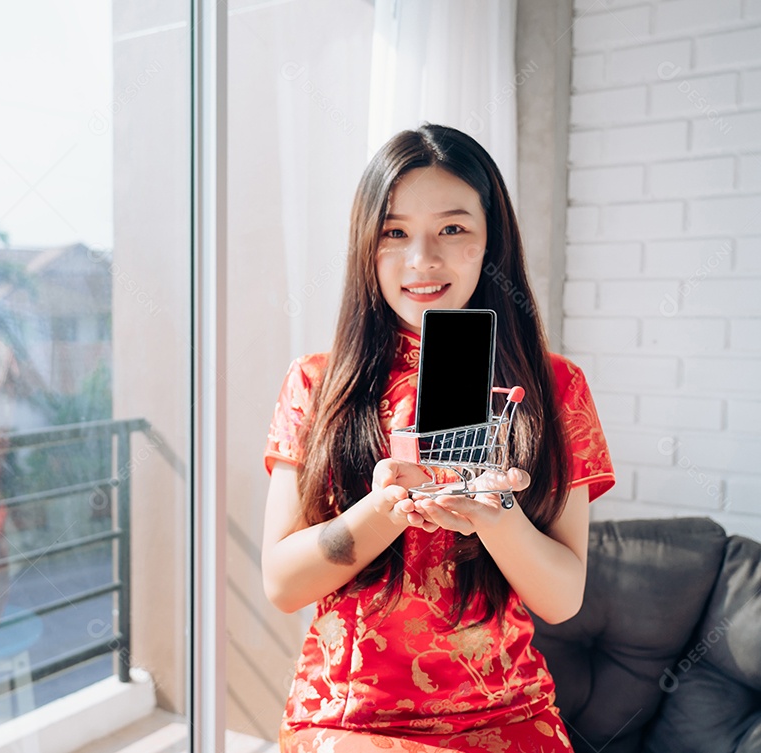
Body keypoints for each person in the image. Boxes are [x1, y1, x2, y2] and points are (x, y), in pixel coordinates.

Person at [261, 124, 615, 753]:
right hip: (348, 717)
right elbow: (283, 584)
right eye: (394, 232)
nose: (422, 260)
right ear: (366, 246)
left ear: (490, 242)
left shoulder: (554, 386)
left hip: (508, 711)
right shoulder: (317, 383)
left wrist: (497, 519)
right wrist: (383, 511)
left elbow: (561, 598)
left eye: (453, 229)